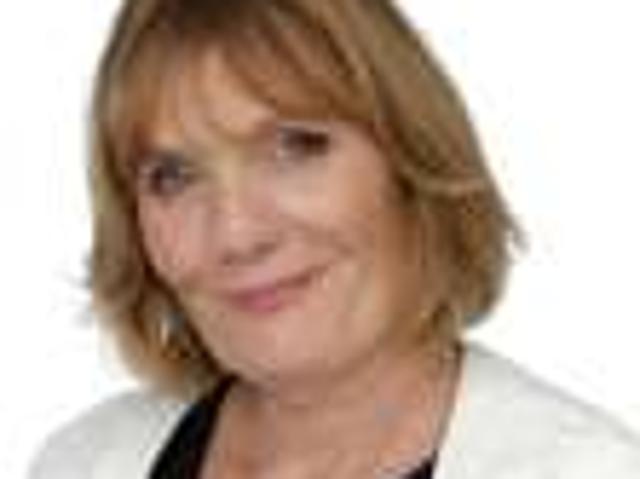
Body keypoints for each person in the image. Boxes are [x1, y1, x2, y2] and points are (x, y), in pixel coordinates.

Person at [30, 0, 640, 477]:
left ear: (410, 162)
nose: (237, 234)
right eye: (174, 176)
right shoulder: (80, 463)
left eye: (294, 147)